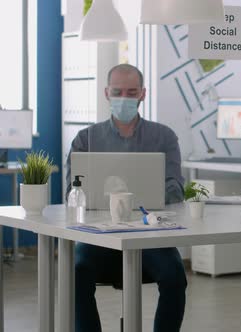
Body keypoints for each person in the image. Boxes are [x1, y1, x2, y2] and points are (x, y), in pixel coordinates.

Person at [66, 64, 187, 332]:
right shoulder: (86, 139)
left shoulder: (163, 136)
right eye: (118, 91)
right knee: (75, 271)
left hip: (151, 236)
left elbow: (176, 188)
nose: (124, 98)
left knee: (175, 276)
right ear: (106, 93)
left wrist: (136, 196)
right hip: (99, 235)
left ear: (143, 94)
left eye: (131, 92)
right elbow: (72, 193)